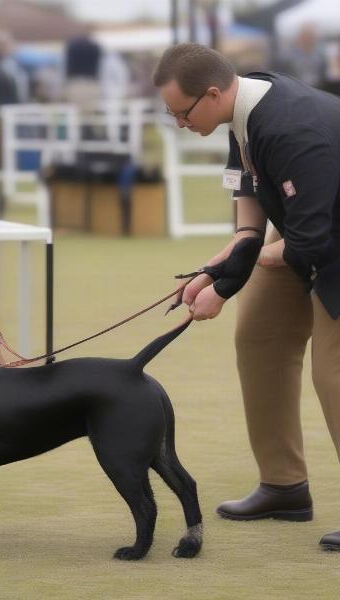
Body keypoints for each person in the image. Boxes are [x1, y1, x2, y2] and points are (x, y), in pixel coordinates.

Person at [153, 43, 340, 552]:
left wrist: (227, 281)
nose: (178, 123)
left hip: (323, 242)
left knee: (333, 372)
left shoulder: (291, 128)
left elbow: (307, 246)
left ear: (212, 94)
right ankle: (284, 486)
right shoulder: (242, 110)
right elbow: (250, 199)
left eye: (182, 113)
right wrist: (220, 262)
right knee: (258, 335)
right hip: (308, 235)